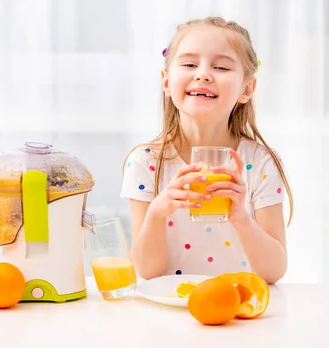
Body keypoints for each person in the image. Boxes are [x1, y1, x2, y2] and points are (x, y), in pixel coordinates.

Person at [120, 16, 293, 285]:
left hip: (238, 311)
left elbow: (274, 271)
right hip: (172, 312)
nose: (202, 74)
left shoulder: (260, 163)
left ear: (247, 89)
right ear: (166, 82)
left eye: (221, 67)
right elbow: (147, 271)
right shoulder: (145, 162)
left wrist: (241, 219)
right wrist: (157, 213)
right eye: (189, 64)